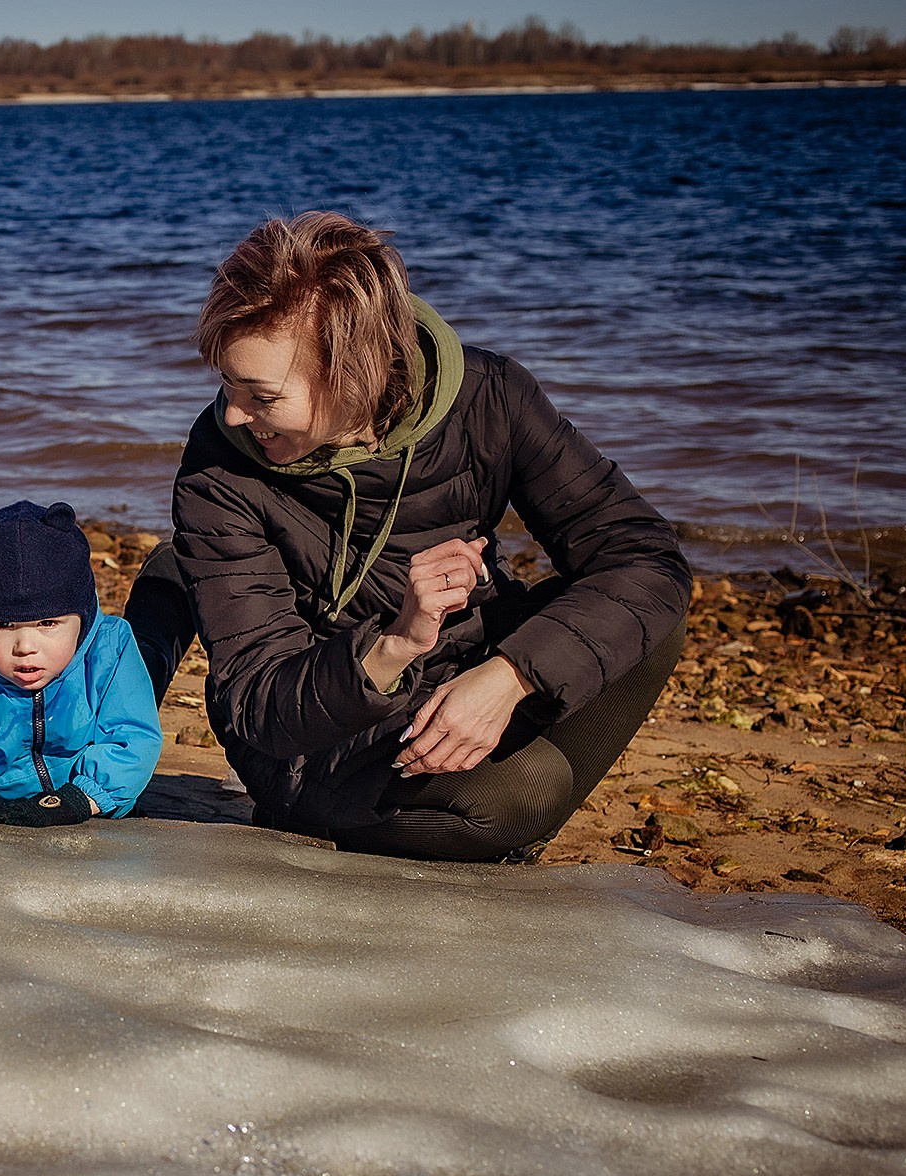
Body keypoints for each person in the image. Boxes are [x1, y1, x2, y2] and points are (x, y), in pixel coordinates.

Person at [124, 212, 691, 861]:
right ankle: (494, 819)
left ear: (353, 370)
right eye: (226, 380)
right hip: (311, 745)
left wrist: (510, 675)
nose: (232, 411)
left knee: (646, 617)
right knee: (514, 801)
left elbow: (646, 557)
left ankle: (491, 803)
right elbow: (258, 703)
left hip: (468, 673)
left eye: (262, 393)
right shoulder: (218, 467)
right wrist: (393, 646)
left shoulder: (490, 397)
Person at [0, 501, 163, 828]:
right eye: (3, 626)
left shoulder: (110, 649)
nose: (25, 647)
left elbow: (134, 736)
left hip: (93, 807)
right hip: (1, 809)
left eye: (48, 624)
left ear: (81, 619)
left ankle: (164, 578)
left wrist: (84, 797)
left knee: (153, 657)